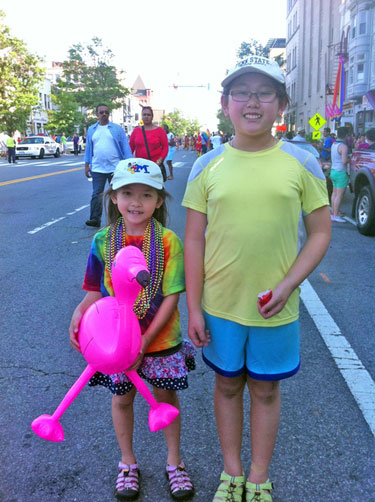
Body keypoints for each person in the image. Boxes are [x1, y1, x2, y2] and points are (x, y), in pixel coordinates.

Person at [182, 55, 331, 502]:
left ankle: (259, 477)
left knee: (265, 390)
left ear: (281, 104)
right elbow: (194, 241)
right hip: (220, 305)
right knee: (226, 384)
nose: (252, 102)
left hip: (276, 306)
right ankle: (231, 474)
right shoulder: (206, 165)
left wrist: (288, 285)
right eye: (241, 93)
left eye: (264, 92)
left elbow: (321, 232)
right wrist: (193, 306)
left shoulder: (302, 162)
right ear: (226, 104)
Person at [69, 158, 195, 501]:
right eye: (127, 193)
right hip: (115, 341)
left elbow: (171, 297)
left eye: (145, 195)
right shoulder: (102, 241)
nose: (135, 202)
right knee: (122, 398)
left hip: (159, 339)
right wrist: (79, 314)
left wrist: (145, 340)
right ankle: (127, 462)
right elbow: (95, 289)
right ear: (113, 197)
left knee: (165, 397)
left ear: (159, 201)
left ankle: (174, 462)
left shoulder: (169, 242)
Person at [84, 103, 132, 227]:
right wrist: (86, 165)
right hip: (97, 168)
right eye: (101, 112)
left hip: (115, 168)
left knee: (117, 194)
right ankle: (95, 219)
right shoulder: (91, 130)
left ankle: (118, 220)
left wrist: (129, 164)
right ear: (97, 114)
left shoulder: (117, 129)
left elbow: (125, 147)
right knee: (96, 194)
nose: (104, 114)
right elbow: (89, 148)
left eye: (106, 112)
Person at [129, 106, 168, 181]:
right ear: (141, 116)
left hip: (155, 166)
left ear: (152, 117)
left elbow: (165, 148)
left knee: (156, 190)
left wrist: (159, 161)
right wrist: (129, 163)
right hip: (140, 167)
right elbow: (130, 148)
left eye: (148, 115)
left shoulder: (160, 131)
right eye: (144, 114)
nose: (146, 117)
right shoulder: (136, 131)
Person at [330, 126, 349, 223]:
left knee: (334, 193)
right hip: (341, 172)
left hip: (333, 171)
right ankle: (336, 215)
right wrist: (350, 159)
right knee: (339, 195)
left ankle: (333, 213)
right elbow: (344, 161)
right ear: (346, 135)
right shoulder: (343, 146)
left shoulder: (334, 144)